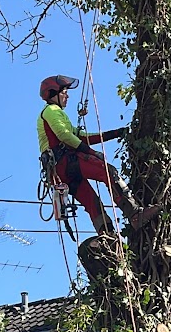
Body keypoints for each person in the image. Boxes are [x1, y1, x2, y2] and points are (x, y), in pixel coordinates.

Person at [37, 74, 160, 235]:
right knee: (107, 171)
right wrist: (92, 152)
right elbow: (64, 135)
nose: (67, 96)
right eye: (64, 92)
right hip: (65, 161)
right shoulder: (51, 110)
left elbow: (82, 137)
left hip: (60, 172)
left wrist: (115, 133)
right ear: (53, 94)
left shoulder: (57, 114)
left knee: (91, 201)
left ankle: (107, 237)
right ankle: (135, 214)